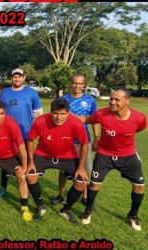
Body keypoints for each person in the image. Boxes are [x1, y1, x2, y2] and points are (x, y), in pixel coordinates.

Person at [80, 88, 146, 231]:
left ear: (127, 101)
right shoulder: (102, 113)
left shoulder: (139, 117)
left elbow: (139, 128)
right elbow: (88, 119)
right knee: (94, 185)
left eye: (117, 99)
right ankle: (88, 210)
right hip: (104, 155)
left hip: (128, 155)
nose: (112, 102)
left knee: (139, 186)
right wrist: (67, 116)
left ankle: (133, 215)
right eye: (111, 98)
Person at [26, 98, 88, 224]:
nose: (58, 117)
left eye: (62, 114)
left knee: (81, 182)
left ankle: (65, 210)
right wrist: (31, 162)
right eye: (55, 113)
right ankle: (40, 207)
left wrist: (81, 168)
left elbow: (84, 144)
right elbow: (31, 140)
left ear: (68, 113)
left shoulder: (76, 123)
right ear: (50, 112)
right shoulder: (40, 121)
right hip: (43, 154)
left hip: (67, 156)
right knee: (30, 176)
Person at [51, 74, 99, 205]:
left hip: (84, 141)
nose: (77, 86)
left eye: (80, 83)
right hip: (66, 141)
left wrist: (96, 138)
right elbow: (57, 119)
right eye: (74, 83)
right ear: (71, 84)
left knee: (84, 169)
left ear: (84, 85)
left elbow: (94, 120)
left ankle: (84, 196)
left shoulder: (90, 100)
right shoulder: (64, 99)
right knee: (63, 170)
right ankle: (61, 194)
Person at [0, 68, 42, 198]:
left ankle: (26, 185)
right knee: (6, 159)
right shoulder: (5, 93)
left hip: (26, 133)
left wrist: (30, 123)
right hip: (7, 133)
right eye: (14, 77)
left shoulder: (31, 93)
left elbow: (38, 113)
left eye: (19, 76)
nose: (17, 79)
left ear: (24, 78)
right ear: (11, 78)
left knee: (26, 159)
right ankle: (4, 187)